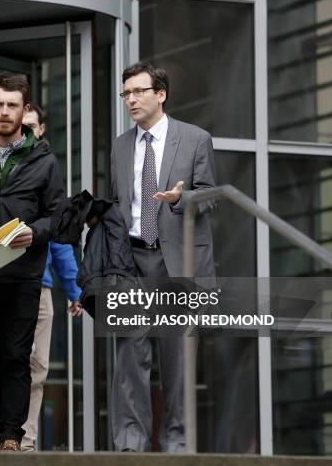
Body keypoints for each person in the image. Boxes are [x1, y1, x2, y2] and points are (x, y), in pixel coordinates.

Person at [0, 102, 82, 452]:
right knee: (7, 360)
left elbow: (58, 237)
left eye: (29, 124)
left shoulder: (44, 169)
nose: (19, 127)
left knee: (34, 366)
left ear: (39, 131)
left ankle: (20, 441)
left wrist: (73, 288)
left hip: (37, 285)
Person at [109, 61, 216, 452]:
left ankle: (177, 446)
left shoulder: (195, 139)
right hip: (131, 262)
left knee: (178, 362)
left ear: (160, 94)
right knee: (130, 357)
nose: (131, 100)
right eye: (126, 94)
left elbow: (209, 197)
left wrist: (180, 199)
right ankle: (130, 446)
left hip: (176, 263)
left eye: (138, 91)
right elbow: (119, 204)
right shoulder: (121, 145)